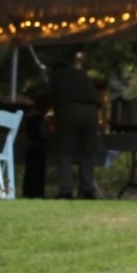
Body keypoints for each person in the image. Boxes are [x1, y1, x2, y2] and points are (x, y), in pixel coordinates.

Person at [48, 50, 104, 199]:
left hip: (70, 109)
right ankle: (87, 190)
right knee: (87, 152)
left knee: (65, 151)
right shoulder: (81, 74)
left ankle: (66, 190)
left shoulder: (56, 76)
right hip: (91, 111)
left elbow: (54, 98)